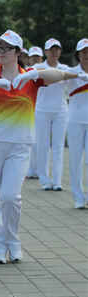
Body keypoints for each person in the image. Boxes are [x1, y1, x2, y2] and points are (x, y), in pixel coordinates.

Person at [0, 29, 77, 264]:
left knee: (11, 196)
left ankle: (12, 241)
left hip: (20, 145)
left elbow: (60, 75)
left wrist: (32, 76)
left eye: (6, 48)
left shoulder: (31, 77)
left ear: (18, 52)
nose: (1, 52)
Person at [33, 39, 70, 191]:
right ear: (46, 52)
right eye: (51, 50)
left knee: (58, 146)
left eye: (57, 50)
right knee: (43, 145)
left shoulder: (65, 68)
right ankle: (44, 179)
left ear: (60, 51)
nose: (54, 52)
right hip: (42, 110)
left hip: (60, 111)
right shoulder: (38, 67)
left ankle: (57, 181)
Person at [67, 38, 88, 209]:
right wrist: (77, 75)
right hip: (75, 120)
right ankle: (78, 197)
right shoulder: (70, 72)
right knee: (75, 160)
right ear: (78, 55)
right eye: (84, 52)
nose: (87, 55)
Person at [26, 46, 44, 179]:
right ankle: (30, 168)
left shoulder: (45, 71)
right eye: (33, 57)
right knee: (29, 140)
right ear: (29, 59)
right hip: (28, 109)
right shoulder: (26, 72)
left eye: (37, 57)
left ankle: (38, 169)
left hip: (41, 109)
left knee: (40, 141)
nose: (35, 60)